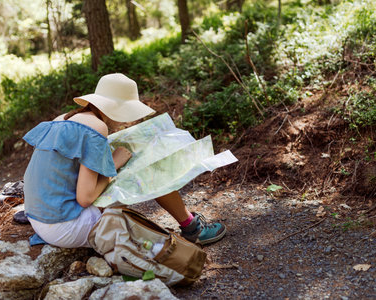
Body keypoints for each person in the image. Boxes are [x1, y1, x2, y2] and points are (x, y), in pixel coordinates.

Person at [23, 73, 226, 248]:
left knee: (136, 165)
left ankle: (189, 224)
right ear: (116, 107)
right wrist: (114, 166)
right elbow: (84, 198)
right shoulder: (95, 127)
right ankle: (192, 228)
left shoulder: (64, 118)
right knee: (148, 168)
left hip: (40, 219)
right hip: (65, 225)